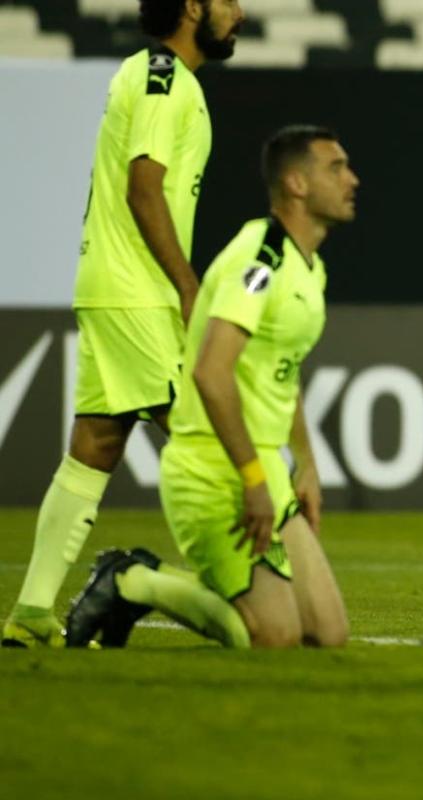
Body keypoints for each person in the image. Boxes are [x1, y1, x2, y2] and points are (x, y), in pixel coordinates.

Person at [3, 0, 245, 648]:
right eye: (226, 0)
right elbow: (144, 187)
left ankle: (31, 611)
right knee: (210, 446)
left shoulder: (150, 73)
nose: (239, 12)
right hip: (140, 296)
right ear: (191, 7)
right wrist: (187, 285)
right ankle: (221, 594)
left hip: (111, 287)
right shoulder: (165, 78)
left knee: (96, 445)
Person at [65, 125, 357, 650]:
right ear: (296, 184)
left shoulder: (309, 268)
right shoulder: (259, 261)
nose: (351, 179)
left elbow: (282, 369)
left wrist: (306, 464)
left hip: (265, 469)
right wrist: (253, 479)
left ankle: (149, 580)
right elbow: (210, 373)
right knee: (275, 638)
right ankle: (132, 580)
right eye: (336, 168)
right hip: (211, 472)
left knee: (328, 633)